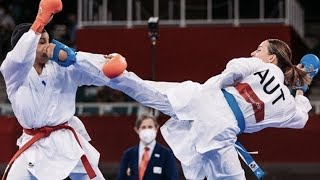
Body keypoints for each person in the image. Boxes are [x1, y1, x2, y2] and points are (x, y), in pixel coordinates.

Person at [97, 39, 315, 179]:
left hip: (203, 100)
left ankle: (102, 66)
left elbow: (235, 68)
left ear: (272, 58)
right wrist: (302, 89)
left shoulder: (262, 66)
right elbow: (301, 117)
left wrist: (219, 84)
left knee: (147, 90)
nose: (253, 52)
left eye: (258, 49)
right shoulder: (287, 104)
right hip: (221, 130)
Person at [0, 0, 110, 179]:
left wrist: (105, 63)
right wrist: (39, 23)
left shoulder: (62, 67)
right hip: (33, 146)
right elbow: (18, 59)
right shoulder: (15, 74)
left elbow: (91, 71)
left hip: (65, 142)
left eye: (45, 36)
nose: (43, 36)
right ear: (24, 47)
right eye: (37, 39)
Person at [117, 114, 179, 180]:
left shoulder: (167, 154)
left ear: (156, 128)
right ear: (137, 129)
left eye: (150, 127)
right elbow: (121, 178)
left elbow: (172, 178)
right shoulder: (128, 154)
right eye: (143, 127)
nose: (147, 130)